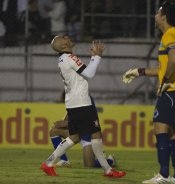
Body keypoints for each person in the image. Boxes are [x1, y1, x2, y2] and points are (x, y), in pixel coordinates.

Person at [40, 35, 126, 178]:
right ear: (63, 46)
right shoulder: (70, 57)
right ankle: (108, 170)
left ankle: (48, 163)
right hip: (82, 102)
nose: (67, 37)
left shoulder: (62, 59)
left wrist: (92, 58)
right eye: (64, 38)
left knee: (74, 137)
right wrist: (97, 57)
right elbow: (90, 73)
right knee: (96, 133)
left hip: (72, 102)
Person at [122, 1, 175, 184]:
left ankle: (164, 175)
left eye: (157, 13)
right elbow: (164, 67)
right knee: (174, 134)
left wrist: (166, 82)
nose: (155, 16)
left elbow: (173, 60)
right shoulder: (173, 34)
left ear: (163, 17)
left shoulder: (169, 35)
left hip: (172, 90)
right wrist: (139, 71)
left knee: (160, 129)